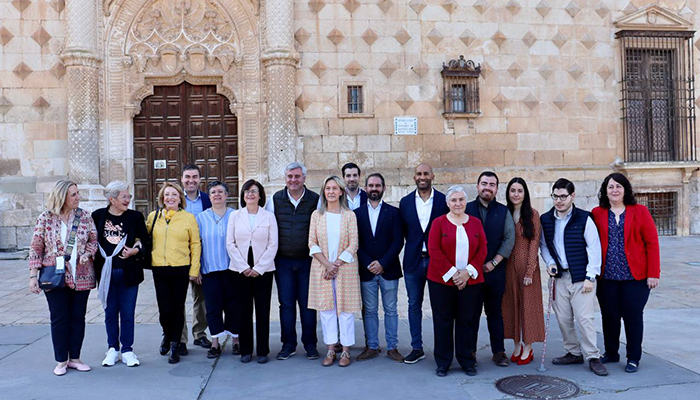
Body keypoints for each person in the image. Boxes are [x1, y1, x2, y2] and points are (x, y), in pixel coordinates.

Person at [591, 173, 660, 373]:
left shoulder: (640, 211)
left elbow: (652, 243)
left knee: (633, 317)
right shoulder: (597, 213)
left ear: (625, 189)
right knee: (609, 316)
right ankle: (611, 352)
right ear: (605, 190)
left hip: (635, 277)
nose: (614, 190)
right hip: (607, 277)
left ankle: (633, 358)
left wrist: (653, 273)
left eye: (618, 186)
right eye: (611, 187)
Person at [28, 179, 98, 376]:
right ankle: (61, 360)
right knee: (59, 318)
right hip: (54, 276)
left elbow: (94, 239)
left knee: (78, 318)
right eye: (73, 194)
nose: (78, 197)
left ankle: (75, 358)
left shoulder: (84, 216)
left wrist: (88, 253)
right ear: (62, 197)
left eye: (78, 193)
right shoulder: (45, 218)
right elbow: (36, 247)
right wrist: (33, 275)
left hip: (82, 275)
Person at [540, 178, 607, 376]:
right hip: (559, 276)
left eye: (563, 196)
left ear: (572, 196)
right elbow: (544, 246)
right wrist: (550, 263)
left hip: (581, 277)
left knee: (585, 318)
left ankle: (593, 356)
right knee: (563, 318)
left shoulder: (584, 218)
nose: (559, 200)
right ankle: (573, 352)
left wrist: (590, 276)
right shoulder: (546, 219)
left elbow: (594, 248)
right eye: (556, 196)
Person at [427, 185, 487, 377]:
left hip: (470, 281)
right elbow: (434, 250)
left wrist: (467, 273)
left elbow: (483, 249)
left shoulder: (476, 223)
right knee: (443, 321)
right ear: (447, 203)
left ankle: (466, 360)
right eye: (454, 200)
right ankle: (443, 362)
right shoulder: (438, 223)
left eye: (461, 199)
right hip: (441, 281)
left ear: (465, 201)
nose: (458, 203)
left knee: (466, 321)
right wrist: (454, 273)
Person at [267, 162, 321, 360]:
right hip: (283, 262)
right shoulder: (275, 199)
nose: (293, 180)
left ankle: (310, 345)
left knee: (308, 305)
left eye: (297, 176)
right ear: (285, 178)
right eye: (290, 176)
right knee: (286, 304)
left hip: (308, 262)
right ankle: (288, 344)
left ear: (304, 178)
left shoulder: (315, 200)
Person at [92, 181, 148, 367]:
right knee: (110, 312)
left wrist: (135, 250)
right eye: (124, 196)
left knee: (127, 312)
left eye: (128, 196)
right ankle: (112, 349)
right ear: (112, 199)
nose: (128, 200)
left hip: (128, 272)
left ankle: (127, 350)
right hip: (106, 273)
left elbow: (146, 242)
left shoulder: (135, 217)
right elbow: (90, 242)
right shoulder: (98, 216)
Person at [308, 176, 361, 367]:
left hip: (345, 269)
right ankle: (331, 349)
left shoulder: (349, 215)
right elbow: (312, 242)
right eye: (327, 188)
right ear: (324, 192)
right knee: (327, 309)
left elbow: (354, 243)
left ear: (341, 192)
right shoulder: (317, 215)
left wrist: (336, 264)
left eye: (334, 188)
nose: (331, 192)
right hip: (322, 268)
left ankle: (346, 351)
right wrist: (327, 265)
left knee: (345, 310)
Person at [398, 163, 449, 364]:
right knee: (413, 305)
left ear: (432, 176)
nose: (422, 177)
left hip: (437, 262)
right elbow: (403, 233)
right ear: (414, 178)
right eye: (419, 174)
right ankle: (416, 347)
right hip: (413, 261)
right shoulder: (405, 202)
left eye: (426, 173)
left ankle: (442, 349)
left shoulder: (444, 201)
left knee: (440, 306)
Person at [146, 182, 201, 364]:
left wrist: (194, 269)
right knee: (164, 308)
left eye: (174, 195)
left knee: (177, 307)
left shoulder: (188, 218)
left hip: (180, 267)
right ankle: (167, 335)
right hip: (159, 267)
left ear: (180, 198)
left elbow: (195, 244)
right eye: (167, 195)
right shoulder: (153, 217)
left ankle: (176, 343)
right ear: (162, 198)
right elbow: (144, 237)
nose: (170, 198)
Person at [465, 171, 515, 367]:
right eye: (484, 183)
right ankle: (469, 351)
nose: (487, 187)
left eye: (492, 184)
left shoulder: (503, 211)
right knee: (471, 314)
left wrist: (494, 262)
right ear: (477, 186)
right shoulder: (466, 209)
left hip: (495, 272)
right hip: (471, 273)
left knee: (495, 313)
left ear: (496, 189)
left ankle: (499, 352)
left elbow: (509, 239)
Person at [226, 180, 278, 364]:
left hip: (263, 270)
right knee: (243, 310)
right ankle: (246, 350)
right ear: (243, 195)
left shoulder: (269, 216)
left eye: (254, 191)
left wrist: (258, 268)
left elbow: (273, 245)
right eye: (247, 191)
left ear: (260, 195)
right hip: (239, 269)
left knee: (263, 310)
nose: (250, 195)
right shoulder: (235, 216)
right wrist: (244, 267)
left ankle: (263, 350)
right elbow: (230, 244)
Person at [354, 173, 404, 362]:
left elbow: (398, 241)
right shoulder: (356, 214)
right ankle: (372, 346)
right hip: (366, 271)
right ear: (365, 188)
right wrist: (369, 263)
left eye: (378, 186)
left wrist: (383, 262)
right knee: (370, 310)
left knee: (391, 309)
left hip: (389, 269)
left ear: (384, 188)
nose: (374, 189)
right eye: (371, 185)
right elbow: (355, 242)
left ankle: (392, 347)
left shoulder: (394, 212)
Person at [502, 178, 544, 366]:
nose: (516, 194)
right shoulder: (504, 213)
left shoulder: (532, 215)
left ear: (525, 193)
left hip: (528, 269)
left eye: (520, 190)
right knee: (511, 306)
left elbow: (534, 244)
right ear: (508, 193)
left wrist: (529, 271)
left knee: (528, 308)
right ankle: (516, 344)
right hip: (508, 267)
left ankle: (528, 346)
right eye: (513, 190)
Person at [196, 181, 239, 359]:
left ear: (227, 195)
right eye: (213, 192)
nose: (217, 195)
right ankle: (215, 342)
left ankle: (236, 340)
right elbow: (196, 244)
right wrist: (196, 268)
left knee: (233, 306)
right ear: (209, 196)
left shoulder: (235, 215)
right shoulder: (201, 218)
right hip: (210, 270)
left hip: (233, 269)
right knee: (213, 308)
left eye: (221, 191)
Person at [179, 164, 211, 353]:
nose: (191, 180)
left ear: (200, 179)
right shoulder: (173, 199)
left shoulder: (207, 199)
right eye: (187, 177)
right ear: (182, 179)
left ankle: (200, 334)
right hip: (179, 257)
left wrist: (198, 264)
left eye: (195, 177)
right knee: (178, 299)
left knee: (201, 298)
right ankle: (179, 337)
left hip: (200, 256)